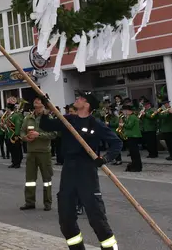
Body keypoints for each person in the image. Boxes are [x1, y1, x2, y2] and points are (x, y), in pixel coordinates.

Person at [40, 91, 122, 250]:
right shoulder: (68, 120)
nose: (76, 99)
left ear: (87, 104)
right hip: (69, 169)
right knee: (66, 218)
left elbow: (116, 143)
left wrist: (104, 159)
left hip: (86, 170)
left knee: (96, 217)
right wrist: (45, 109)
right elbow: (46, 125)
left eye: (80, 98)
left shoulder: (95, 124)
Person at [20, 96, 56, 211]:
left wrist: (38, 135)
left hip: (44, 152)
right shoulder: (28, 118)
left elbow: (54, 134)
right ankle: (30, 202)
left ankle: (47, 203)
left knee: (47, 180)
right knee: (30, 180)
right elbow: (21, 131)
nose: (36, 101)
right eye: (35, 100)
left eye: (39, 100)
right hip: (31, 152)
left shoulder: (48, 118)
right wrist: (25, 138)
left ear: (43, 104)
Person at [121, 104, 142, 172]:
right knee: (132, 153)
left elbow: (129, 126)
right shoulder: (129, 117)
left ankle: (137, 167)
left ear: (127, 111)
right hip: (130, 136)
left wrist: (122, 124)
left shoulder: (132, 117)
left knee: (135, 153)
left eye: (124, 111)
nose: (123, 112)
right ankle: (134, 165)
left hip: (133, 136)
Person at [9, 104, 24, 168]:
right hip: (10, 135)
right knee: (12, 149)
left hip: (14, 135)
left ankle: (18, 163)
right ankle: (14, 162)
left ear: (8, 109)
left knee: (17, 149)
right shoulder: (10, 115)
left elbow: (17, 125)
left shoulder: (16, 115)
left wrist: (17, 134)